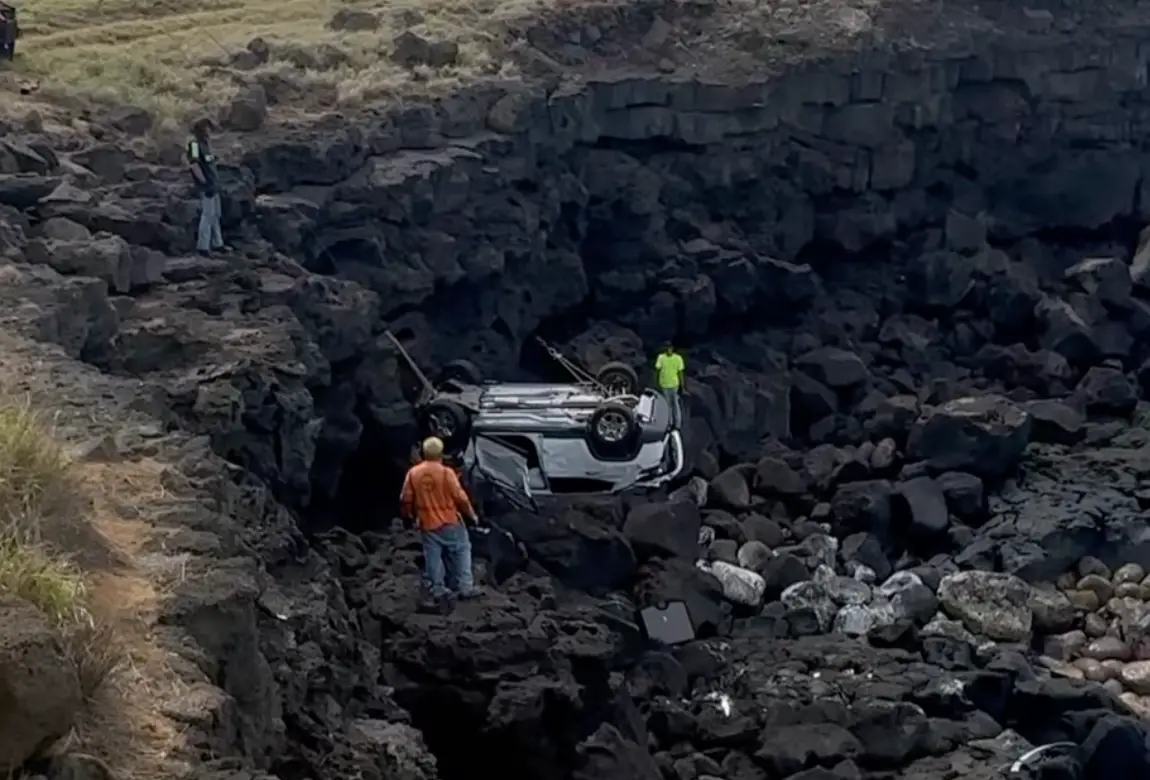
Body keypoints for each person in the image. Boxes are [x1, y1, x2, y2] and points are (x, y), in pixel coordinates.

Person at [399, 436, 481, 606]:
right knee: (462, 550)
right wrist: (472, 516)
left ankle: (437, 588)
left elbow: (405, 499)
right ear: (441, 454)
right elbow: (461, 498)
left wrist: (408, 516)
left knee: (433, 556)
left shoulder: (413, 473)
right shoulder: (446, 473)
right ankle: (465, 587)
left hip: (427, 523)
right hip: (450, 521)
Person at [186, 117, 226, 257]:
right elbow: (194, 165)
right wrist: (204, 182)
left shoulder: (206, 145)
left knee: (215, 215)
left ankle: (218, 243)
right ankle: (203, 246)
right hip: (207, 187)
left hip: (214, 186)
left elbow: (208, 162)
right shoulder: (195, 145)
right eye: (207, 128)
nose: (209, 131)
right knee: (207, 215)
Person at [654, 342, 685, 429]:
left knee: (675, 404)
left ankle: (677, 424)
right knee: (667, 405)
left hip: (674, 384)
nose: (669, 350)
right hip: (664, 384)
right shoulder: (661, 357)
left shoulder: (678, 358)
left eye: (670, 348)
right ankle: (669, 423)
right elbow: (657, 370)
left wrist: (682, 385)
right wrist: (656, 382)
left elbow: (680, 372)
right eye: (667, 348)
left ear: (673, 348)